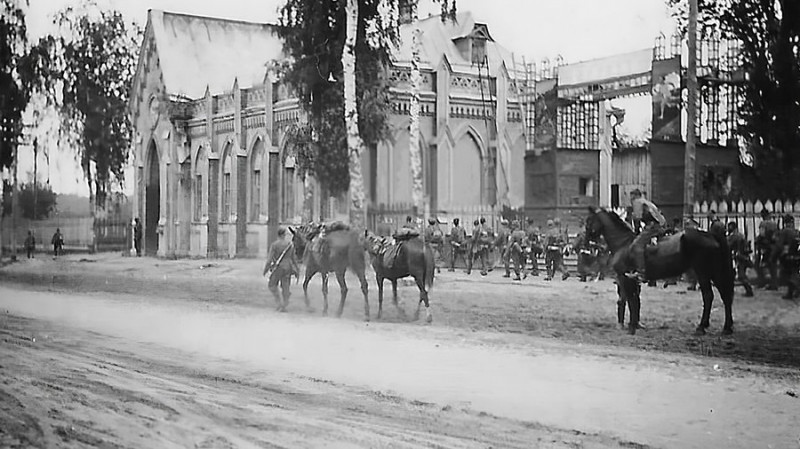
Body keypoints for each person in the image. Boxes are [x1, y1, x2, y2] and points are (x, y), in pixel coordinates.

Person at [628, 189, 666, 282]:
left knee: (637, 246)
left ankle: (641, 273)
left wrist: (636, 231)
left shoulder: (637, 202)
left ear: (635, 196)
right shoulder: (647, 202)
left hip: (653, 226)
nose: (630, 198)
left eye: (631, 196)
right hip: (660, 224)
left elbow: (637, 218)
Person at [263, 227, 299, 312]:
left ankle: (279, 303)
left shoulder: (275, 245)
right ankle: (285, 304)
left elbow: (269, 259)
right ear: (284, 235)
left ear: (278, 235)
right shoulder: (290, 245)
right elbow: (294, 259)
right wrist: (297, 269)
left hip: (278, 268)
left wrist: (266, 269)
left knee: (272, 285)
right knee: (285, 286)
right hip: (288, 268)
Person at [774, 215, 799, 300]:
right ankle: (795, 291)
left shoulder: (784, 232)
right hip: (797, 256)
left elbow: (779, 245)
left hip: (787, 256)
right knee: (795, 273)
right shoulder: (796, 231)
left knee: (788, 275)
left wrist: (776, 256)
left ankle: (791, 292)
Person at [727, 221, 754, 297]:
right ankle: (748, 290)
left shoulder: (734, 236)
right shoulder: (741, 235)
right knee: (740, 274)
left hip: (740, 257)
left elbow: (728, 245)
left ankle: (749, 291)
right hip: (743, 256)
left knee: (741, 275)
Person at [756, 209, 779, 290]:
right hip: (774, 246)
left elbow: (762, 234)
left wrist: (758, 242)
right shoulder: (774, 223)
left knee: (763, 264)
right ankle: (774, 284)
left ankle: (765, 282)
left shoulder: (763, 223)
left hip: (766, 246)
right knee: (773, 265)